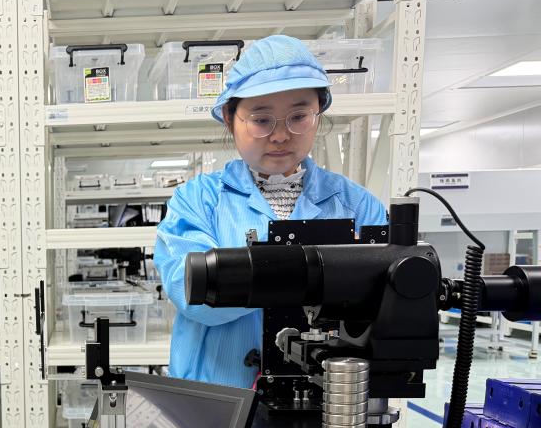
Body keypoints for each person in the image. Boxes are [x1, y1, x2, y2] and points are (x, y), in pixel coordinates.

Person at [154, 35, 387, 388]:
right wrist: (316, 275)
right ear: (230, 118)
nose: (280, 136)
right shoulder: (197, 200)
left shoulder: (357, 205)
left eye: (299, 117)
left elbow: (382, 304)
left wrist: (253, 273)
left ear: (318, 114)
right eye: (262, 120)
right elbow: (190, 291)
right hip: (219, 395)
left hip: (330, 400)